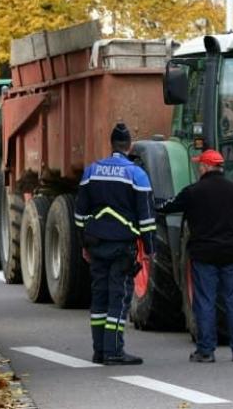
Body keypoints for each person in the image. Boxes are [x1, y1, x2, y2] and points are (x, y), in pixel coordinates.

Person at [157, 149, 233, 363]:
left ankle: (206, 351)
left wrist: (151, 202)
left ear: (206, 167)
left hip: (204, 255)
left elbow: (168, 207)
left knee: (205, 302)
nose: (198, 168)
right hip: (232, 253)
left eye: (200, 165)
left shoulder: (193, 191)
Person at [74, 123, 156, 366]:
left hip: (97, 245)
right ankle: (114, 352)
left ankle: (99, 350)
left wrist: (84, 244)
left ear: (111, 144)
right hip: (122, 247)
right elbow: (147, 218)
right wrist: (150, 250)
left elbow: (79, 214)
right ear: (128, 145)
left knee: (99, 298)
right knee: (118, 299)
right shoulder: (137, 174)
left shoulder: (91, 171)